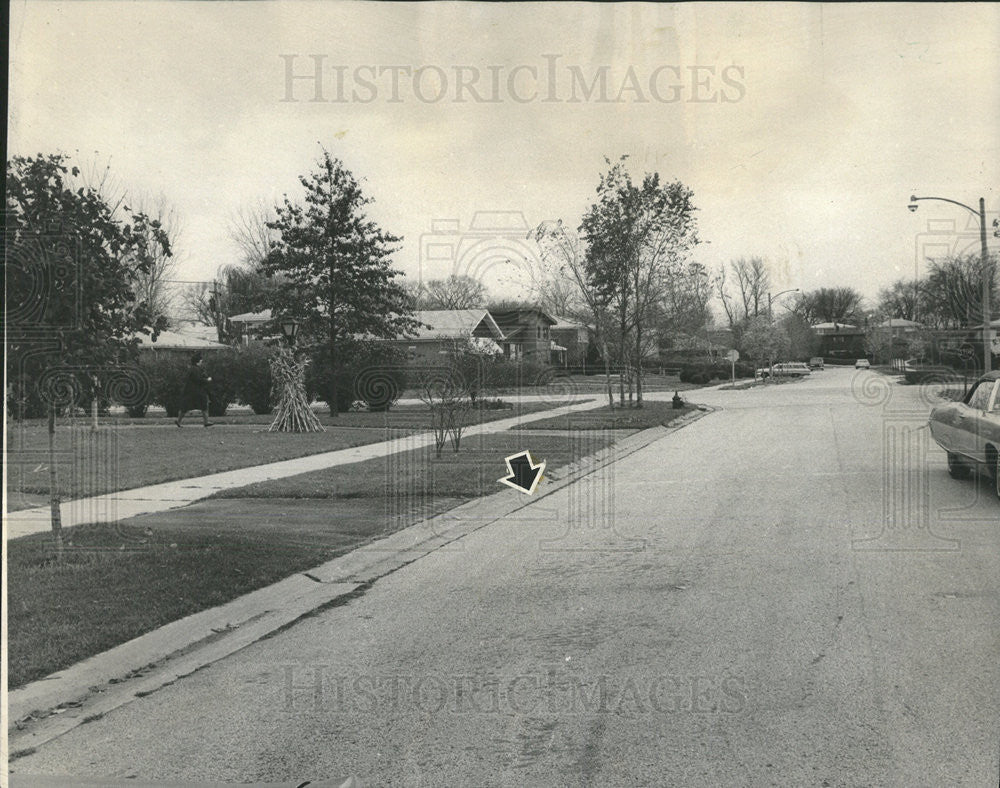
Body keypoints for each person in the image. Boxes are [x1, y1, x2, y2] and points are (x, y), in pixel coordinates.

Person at [176, 352, 214, 427]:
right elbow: (198, 379)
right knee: (204, 405)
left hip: (190, 391)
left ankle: (178, 421)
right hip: (197, 391)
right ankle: (206, 422)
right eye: (200, 360)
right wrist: (207, 380)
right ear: (198, 361)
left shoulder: (193, 369)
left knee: (185, 407)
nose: (202, 361)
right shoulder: (196, 369)